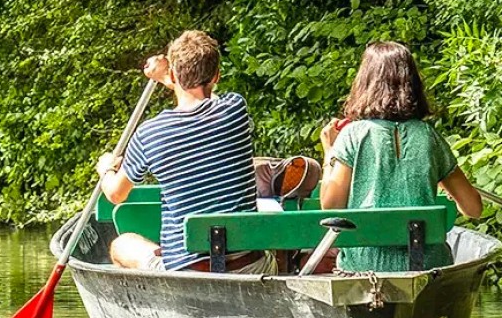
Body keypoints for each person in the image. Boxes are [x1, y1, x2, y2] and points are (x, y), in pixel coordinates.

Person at [96, 30, 277, 274]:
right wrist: (168, 75)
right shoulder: (235, 110)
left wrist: (106, 168)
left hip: (188, 271)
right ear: (216, 76)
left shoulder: (149, 134)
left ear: (172, 75)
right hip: (250, 267)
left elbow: (116, 194)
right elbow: (204, 94)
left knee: (121, 245)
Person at [320, 42, 482, 272]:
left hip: (366, 265)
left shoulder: (353, 135)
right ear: (412, 84)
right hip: (427, 265)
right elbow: (473, 209)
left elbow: (331, 206)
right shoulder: (429, 137)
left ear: (365, 83)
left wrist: (329, 153)